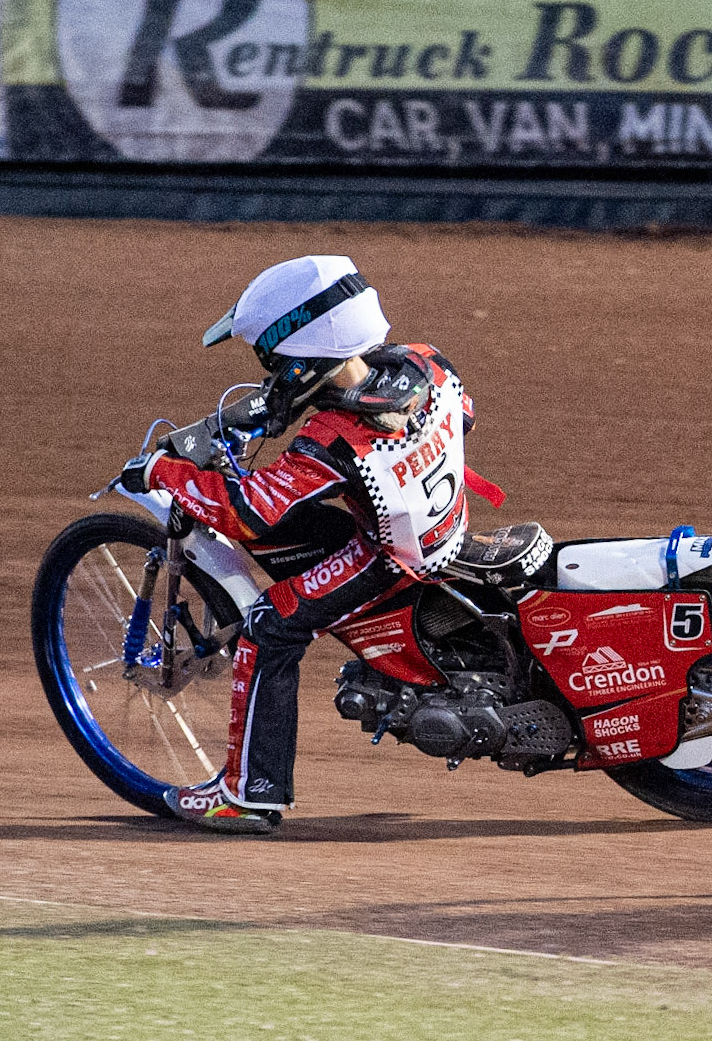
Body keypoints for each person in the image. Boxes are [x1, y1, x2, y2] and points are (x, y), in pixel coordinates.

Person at [120, 255, 485, 833]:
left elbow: (246, 516)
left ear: (301, 353)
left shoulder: (330, 441)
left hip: (387, 560)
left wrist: (162, 473)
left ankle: (248, 795)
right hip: (447, 531)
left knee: (271, 624)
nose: (269, 371)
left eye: (272, 359)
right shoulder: (426, 364)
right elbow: (464, 417)